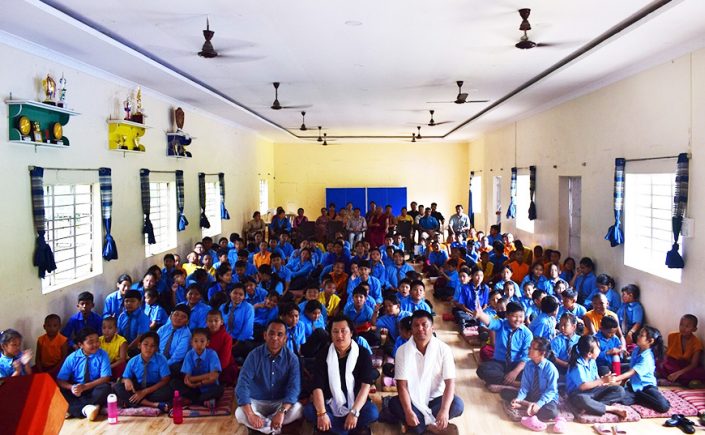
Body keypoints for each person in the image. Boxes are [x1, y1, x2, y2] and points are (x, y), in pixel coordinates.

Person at [390, 310, 464, 434]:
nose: (420, 329)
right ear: (411, 329)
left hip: (436, 399)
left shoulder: (444, 350)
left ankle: (419, 427)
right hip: (413, 399)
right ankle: (432, 427)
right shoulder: (402, 351)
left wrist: (444, 410)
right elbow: (401, 386)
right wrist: (408, 412)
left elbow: (450, 383)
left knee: (457, 404)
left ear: (432, 328)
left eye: (424, 325)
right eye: (416, 326)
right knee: (394, 404)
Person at [304, 315, 378, 435]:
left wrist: (354, 413)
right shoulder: (323, 354)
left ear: (351, 333)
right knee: (309, 411)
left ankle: (336, 429)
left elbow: (365, 386)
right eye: (335, 331)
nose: (339, 335)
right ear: (331, 334)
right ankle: (347, 429)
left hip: (355, 403)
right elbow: (317, 386)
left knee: (372, 412)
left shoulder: (362, 353)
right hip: (330, 404)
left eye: (343, 331)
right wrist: (322, 413)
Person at [235, 319, 303, 434]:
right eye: (271, 333)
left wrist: (281, 412)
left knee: (299, 409)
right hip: (256, 401)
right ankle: (273, 430)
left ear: (285, 339)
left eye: (280, 334)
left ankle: (264, 426)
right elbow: (242, 385)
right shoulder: (254, 356)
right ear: (265, 335)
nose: (275, 338)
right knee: (240, 414)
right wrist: (251, 414)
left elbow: (294, 388)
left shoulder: (292, 359)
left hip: (280, 402)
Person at [500, 337, 563, 432]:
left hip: (547, 398)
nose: (528, 349)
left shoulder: (550, 369)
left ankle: (525, 406)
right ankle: (528, 405)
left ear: (542, 353)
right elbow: (525, 387)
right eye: (529, 347)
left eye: (532, 348)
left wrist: (539, 404)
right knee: (505, 393)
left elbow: (551, 391)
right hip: (532, 394)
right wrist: (520, 398)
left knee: (552, 412)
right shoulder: (529, 365)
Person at [566, 335, 627, 418]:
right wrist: (602, 381)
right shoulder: (576, 365)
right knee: (583, 399)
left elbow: (596, 380)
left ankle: (592, 406)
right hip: (578, 394)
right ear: (589, 354)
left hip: (592, 392)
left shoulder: (592, 361)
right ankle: (611, 409)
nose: (599, 350)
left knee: (619, 390)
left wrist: (606, 381)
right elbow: (583, 386)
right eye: (598, 348)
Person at [475, 300, 532, 387]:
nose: (518, 320)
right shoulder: (501, 324)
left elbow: (526, 357)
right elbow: (490, 321)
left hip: (517, 364)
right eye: (514, 316)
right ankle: (514, 384)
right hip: (499, 363)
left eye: (521, 316)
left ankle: (500, 382)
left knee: (532, 373)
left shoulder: (527, 333)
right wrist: (480, 315)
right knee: (482, 369)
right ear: (507, 316)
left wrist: (515, 372)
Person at [614, 326, 670, 413]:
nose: (638, 336)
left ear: (650, 341)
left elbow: (631, 372)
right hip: (633, 385)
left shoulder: (647, 357)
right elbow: (631, 368)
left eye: (641, 335)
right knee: (619, 397)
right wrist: (621, 382)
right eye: (639, 334)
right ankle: (637, 396)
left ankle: (639, 396)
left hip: (647, 387)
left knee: (663, 406)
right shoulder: (636, 350)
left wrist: (615, 379)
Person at [114, 331, 173, 412]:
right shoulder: (133, 361)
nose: (148, 348)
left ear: (156, 349)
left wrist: (144, 392)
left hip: (154, 388)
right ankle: (154, 404)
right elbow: (125, 377)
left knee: (168, 391)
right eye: (145, 344)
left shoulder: (161, 359)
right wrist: (127, 380)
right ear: (139, 345)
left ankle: (134, 402)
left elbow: (165, 380)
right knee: (117, 386)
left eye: (153, 346)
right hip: (138, 387)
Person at [173, 328, 224, 409]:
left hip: (209, 387)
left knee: (220, 389)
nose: (199, 344)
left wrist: (199, 382)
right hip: (194, 388)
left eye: (202, 341)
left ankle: (195, 401)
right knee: (174, 383)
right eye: (195, 341)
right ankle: (203, 400)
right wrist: (207, 376)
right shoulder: (189, 354)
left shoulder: (212, 354)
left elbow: (214, 377)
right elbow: (188, 378)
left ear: (207, 343)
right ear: (191, 343)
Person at [658, 314, 705, 387]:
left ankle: (674, 382)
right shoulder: (672, 336)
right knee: (660, 363)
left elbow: (694, 364)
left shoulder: (697, 343)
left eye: (687, 326)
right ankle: (681, 382)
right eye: (681, 325)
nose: (683, 328)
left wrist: (678, 373)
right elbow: (668, 354)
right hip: (673, 364)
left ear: (694, 329)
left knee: (701, 373)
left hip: (686, 367)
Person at [157, 304, 193, 377]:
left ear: (187, 321)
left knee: (174, 367)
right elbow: (154, 344)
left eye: (183, 317)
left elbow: (177, 357)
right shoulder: (163, 329)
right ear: (170, 316)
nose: (179, 318)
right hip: (158, 358)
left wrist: (160, 366)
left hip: (173, 363)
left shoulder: (186, 335)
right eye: (176, 314)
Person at [34, 314, 68, 378]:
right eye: (48, 326)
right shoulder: (40, 339)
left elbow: (64, 359)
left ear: (59, 326)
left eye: (55, 326)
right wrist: (40, 370)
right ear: (44, 326)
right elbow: (37, 358)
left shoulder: (63, 340)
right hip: (43, 366)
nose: (51, 328)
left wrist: (53, 370)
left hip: (57, 366)